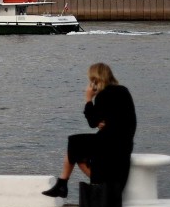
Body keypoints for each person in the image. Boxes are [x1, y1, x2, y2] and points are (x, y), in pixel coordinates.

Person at [42, 62, 136, 199]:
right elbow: (116, 116)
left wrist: (88, 99)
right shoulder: (123, 90)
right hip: (124, 142)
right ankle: (64, 184)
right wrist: (102, 122)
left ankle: (63, 183)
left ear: (96, 80)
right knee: (77, 149)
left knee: (74, 143)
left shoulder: (103, 95)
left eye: (92, 80)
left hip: (111, 142)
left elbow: (92, 122)